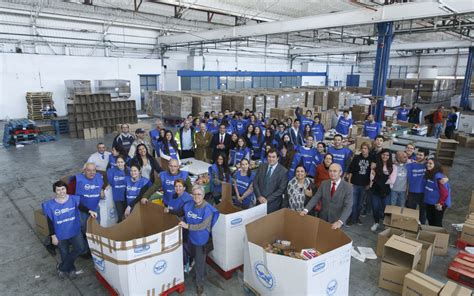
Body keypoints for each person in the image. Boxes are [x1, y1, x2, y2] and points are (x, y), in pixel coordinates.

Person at [43, 181, 89, 280]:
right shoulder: (50, 205)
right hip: (60, 233)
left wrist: (90, 211)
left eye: (63, 188)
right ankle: (71, 269)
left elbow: (82, 207)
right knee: (64, 252)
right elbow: (50, 221)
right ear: (55, 191)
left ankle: (62, 267)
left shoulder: (73, 199)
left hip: (74, 230)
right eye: (58, 190)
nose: (61, 191)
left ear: (66, 189)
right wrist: (53, 236)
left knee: (80, 248)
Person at [177, 185, 219, 296]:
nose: (196, 196)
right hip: (190, 237)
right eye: (194, 194)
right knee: (194, 256)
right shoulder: (189, 205)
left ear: (203, 195)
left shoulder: (208, 209)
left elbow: (202, 226)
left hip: (201, 239)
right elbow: (182, 215)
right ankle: (199, 271)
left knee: (200, 262)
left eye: (199, 194)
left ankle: (200, 284)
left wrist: (187, 226)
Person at [300, 163, 353, 229]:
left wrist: (340, 221)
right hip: (323, 218)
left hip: (337, 221)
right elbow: (316, 197)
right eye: (330, 171)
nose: (332, 173)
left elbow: (348, 207)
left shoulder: (348, 187)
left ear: (340, 173)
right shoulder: (324, 183)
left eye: (334, 171)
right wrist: (306, 210)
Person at [67, 163, 104, 236]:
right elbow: (69, 196)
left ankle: (95, 244)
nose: (92, 173)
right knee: (84, 228)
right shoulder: (75, 180)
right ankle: (86, 243)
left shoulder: (99, 177)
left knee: (96, 227)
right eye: (89, 170)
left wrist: (101, 191)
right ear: (84, 170)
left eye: (94, 170)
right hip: (82, 210)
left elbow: (101, 186)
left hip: (95, 207)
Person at [253, 149, 289, 214]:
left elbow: (281, 189)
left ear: (277, 158)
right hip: (259, 202)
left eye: (273, 157)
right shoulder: (261, 166)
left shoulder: (283, 171)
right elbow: (255, 182)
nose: (271, 159)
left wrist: (267, 200)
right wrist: (259, 196)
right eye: (269, 156)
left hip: (273, 205)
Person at [370, 149, 397, 232]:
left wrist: (378, 179)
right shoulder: (375, 165)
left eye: (387, 155)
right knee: (375, 207)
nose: (385, 156)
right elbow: (371, 177)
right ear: (381, 155)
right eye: (383, 154)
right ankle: (376, 222)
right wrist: (379, 179)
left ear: (389, 157)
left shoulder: (393, 167)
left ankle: (386, 224)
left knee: (386, 208)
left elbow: (392, 180)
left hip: (386, 191)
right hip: (375, 190)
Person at [347, 143, 371, 226]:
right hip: (354, 183)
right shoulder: (356, 158)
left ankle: (356, 218)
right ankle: (352, 219)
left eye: (365, 148)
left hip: (364, 185)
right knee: (353, 203)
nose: (364, 150)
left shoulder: (371, 159)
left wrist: (370, 183)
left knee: (360, 204)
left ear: (368, 150)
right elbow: (351, 170)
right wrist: (349, 182)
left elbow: (372, 173)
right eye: (362, 148)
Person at [424, 158, 451, 227]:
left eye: (430, 163)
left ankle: (439, 237)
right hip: (430, 202)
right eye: (427, 163)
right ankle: (433, 235)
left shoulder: (438, 177)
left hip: (438, 203)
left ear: (436, 165)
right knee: (430, 219)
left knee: (437, 222)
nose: (428, 165)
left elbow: (445, 193)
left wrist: (440, 203)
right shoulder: (429, 173)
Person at [406, 148, 429, 224]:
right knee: (410, 211)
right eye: (417, 154)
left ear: (426, 157)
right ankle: (410, 226)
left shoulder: (428, 166)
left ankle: (421, 227)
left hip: (424, 193)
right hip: (412, 192)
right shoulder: (410, 165)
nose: (418, 156)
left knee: (423, 212)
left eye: (421, 155)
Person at [106, 155, 129, 222]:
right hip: (117, 197)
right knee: (120, 215)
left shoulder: (129, 170)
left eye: (121, 162)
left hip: (128, 196)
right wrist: (109, 185)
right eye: (118, 162)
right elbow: (110, 182)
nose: (120, 164)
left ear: (124, 162)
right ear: (115, 163)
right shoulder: (111, 171)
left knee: (129, 215)